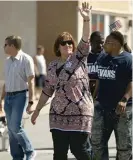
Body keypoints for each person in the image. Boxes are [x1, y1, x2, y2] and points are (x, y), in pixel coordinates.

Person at [31, 2, 94, 160]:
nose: (67, 45)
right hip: (57, 116)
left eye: (70, 43)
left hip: (80, 113)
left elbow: (85, 39)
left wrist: (87, 20)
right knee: (59, 154)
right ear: (58, 47)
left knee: (80, 150)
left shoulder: (79, 58)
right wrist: (37, 110)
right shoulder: (52, 66)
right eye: (63, 43)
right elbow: (47, 91)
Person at [91, 31, 132, 160]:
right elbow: (98, 80)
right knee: (97, 143)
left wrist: (124, 99)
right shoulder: (102, 58)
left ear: (114, 44)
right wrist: (93, 98)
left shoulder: (128, 60)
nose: (103, 45)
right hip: (102, 107)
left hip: (121, 110)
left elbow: (132, 82)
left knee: (124, 147)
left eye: (106, 43)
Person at [0, 35, 36, 160]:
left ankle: (30, 150)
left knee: (16, 127)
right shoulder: (7, 61)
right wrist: (1, 99)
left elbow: (31, 81)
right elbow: (7, 82)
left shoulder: (26, 59)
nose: (3, 47)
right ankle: (17, 156)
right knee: (10, 129)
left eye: (5, 45)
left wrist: (31, 102)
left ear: (12, 46)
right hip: (8, 98)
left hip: (20, 96)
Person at [87, 31, 104, 98]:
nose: (100, 45)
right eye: (97, 42)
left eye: (102, 43)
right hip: (87, 95)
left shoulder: (108, 58)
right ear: (90, 42)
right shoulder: (85, 58)